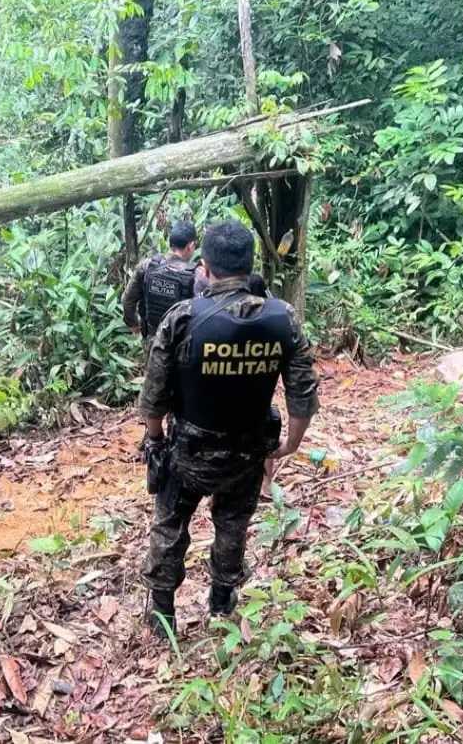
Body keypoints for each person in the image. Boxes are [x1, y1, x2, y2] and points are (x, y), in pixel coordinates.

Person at [139, 219, 319, 638]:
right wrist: (289, 446)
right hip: (248, 451)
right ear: (249, 264)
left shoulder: (182, 317)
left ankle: (163, 616)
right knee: (232, 525)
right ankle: (222, 604)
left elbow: (153, 397)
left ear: (204, 267)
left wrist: (155, 438)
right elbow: (303, 393)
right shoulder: (283, 318)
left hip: (188, 452)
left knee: (169, 526)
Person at [121, 221, 198, 351]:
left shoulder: (147, 266)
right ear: (190, 246)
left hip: (153, 341)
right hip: (182, 344)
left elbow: (127, 300)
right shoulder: (196, 274)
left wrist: (133, 324)